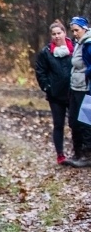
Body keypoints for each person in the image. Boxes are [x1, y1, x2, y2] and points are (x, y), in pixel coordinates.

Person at [35, 19, 74, 165]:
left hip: (74, 93)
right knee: (58, 124)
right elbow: (40, 71)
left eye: (59, 33)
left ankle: (79, 152)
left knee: (76, 123)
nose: (57, 36)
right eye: (54, 34)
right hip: (55, 95)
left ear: (64, 33)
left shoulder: (75, 48)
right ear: (51, 36)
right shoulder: (46, 52)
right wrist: (47, 87)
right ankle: (60, 155)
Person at [66, 16, 91, 168]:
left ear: (85, 28)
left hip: (86, 89)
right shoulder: (78, 43)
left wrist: (87, 75)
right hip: (75, 88)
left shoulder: (88, 44)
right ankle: (77, 153)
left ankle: (87, 155)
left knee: (86, 121)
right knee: (74, 120)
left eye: (77, 30)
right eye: (73, 30)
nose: (74, 33)